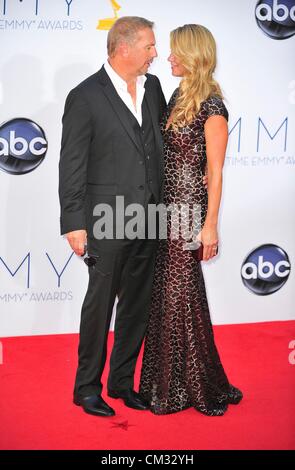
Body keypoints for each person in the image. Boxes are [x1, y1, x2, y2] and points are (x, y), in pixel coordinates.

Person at [59, 16, 167, 417]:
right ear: (124, 48)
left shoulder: (153, 87)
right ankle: (87, 388)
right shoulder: (85, 96)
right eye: (150, 46)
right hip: (106, 217)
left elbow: (155, 145)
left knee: (137, 305)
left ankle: (122, 383)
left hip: (151, 214)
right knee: (100, 305)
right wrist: (74, 221)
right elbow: (71, 163)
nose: (155, 54)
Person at [139, 24, 243, 416]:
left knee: (181, 291)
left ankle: (193, 385)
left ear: (193, 55)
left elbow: (215, 172)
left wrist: (210, 225)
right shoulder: (178, 95)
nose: (168, 58)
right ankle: (166, 384)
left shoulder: (213, 105)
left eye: (175, 52)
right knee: (167, 293)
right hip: (164, 209)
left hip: (188, 210)